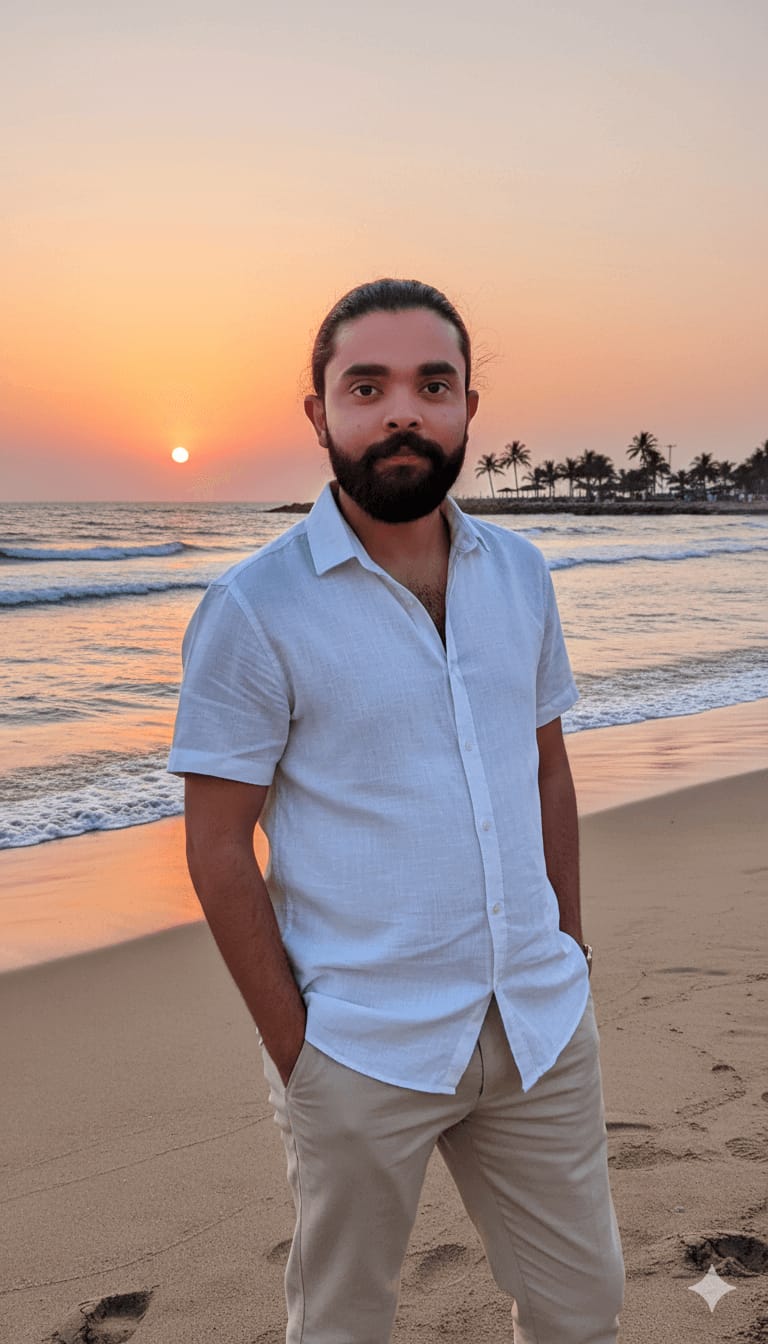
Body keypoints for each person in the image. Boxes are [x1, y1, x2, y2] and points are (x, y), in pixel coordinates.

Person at [167, 277, 625, 1343]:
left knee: (581, 1311)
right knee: (342, 1325)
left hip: (540, 1028)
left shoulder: (519, 576)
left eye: (433, 384)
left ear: (469, 410)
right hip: (361, 1047)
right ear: (320, 413)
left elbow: (545, 767)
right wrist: (298, 1052)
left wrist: (571, 949)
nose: (402, 412)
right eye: (366, 386)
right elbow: (216, 848)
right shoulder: (254, 610)